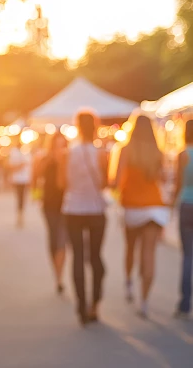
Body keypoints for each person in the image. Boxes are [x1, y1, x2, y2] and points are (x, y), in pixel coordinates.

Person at [114, 114, 168, 319]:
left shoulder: (126, 150)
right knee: (149, 254)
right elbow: (162, 179)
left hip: (132, 206)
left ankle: (128, 283)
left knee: (130, 247)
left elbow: (117, 181)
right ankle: (144, 301)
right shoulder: (157, 152)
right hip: (155, 207)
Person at [59, 111, 107, 326]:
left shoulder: (68, 153)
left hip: (73, 209)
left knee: (77, 256)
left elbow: (62, 183)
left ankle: (80, 305)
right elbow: (106, 183)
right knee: (95, 257)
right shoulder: (101, 152)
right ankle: (95, 304)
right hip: (96, 208)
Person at [35, 131, 68, 294]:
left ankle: (60, 276)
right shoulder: (44, 158)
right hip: (49, 204)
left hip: (65, 204)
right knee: (53, 239)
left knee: (62, 240)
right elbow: (36, 177)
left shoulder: (68, 158)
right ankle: (56, 273)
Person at [174, 119, 193, 317]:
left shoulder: (183, 155)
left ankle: (185, 303)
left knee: (188, 256)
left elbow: (178, 184)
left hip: (186, 205)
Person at [8, 143, 33, 227]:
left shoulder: (27, 151)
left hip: (25, 179)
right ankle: (19, 215)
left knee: (23, 198)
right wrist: (21, 165)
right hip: (17, 179)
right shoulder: (14, 152)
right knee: (19, 198)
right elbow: (11, 166)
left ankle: (21, 215)